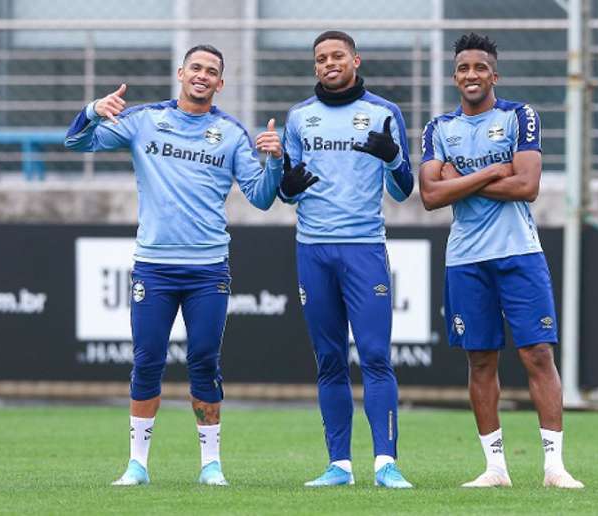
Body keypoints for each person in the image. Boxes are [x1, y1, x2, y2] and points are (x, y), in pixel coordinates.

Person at [64, 44, 316, 487]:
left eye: (212, 71)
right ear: (181, 73)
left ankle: (211, 464)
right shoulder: (144, 121)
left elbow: (260, 198)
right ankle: (137, 465)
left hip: (207, 270)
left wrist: (276, 161)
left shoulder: (232, 134)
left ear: (221, 83)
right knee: (146, 361)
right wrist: (92, 109)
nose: (202, 75)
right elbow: (75, 142)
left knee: (203, 360)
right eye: (195, 67)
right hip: (154, 267)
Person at [419, 32, 584, 489]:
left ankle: (554, 467)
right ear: (455, 77)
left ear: (495, 73)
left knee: (537, 353)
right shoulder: (439, 128)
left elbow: (527, 185)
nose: (472, 75)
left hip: (519, 253)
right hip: (466, 260)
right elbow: (430, 195)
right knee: (480, 361)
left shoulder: (519, 116)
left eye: (480, 68)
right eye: (463, 69)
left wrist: (466, 177)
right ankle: (495, 468)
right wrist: (496, 170)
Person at [275, 30, 414, 488]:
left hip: (364, 250)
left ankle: (386, 464)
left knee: (375, 355)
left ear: (356, 59)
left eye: (337, 55)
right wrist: (288, 186)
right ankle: (339, 465)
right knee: (329, 360)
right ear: (314, 66)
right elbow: (287, 190)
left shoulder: (384, 112)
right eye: (321, 58)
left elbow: (404, 188)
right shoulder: (299, 118)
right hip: (313, 251)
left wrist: (393, 158)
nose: (329, 63)